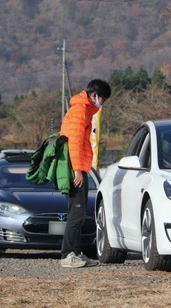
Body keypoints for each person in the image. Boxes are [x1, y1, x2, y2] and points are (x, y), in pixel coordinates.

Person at [59, 78, 111, 268]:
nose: (102, 103)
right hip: (75, 167)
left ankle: (76, 252)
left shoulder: (85, 109)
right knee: (77, 212)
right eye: (102, 99)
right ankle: (68, 254)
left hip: (79, 165)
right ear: (94, 95)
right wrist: (76, 170)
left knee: (78, 213)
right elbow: (74, 141)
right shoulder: (81, 110)